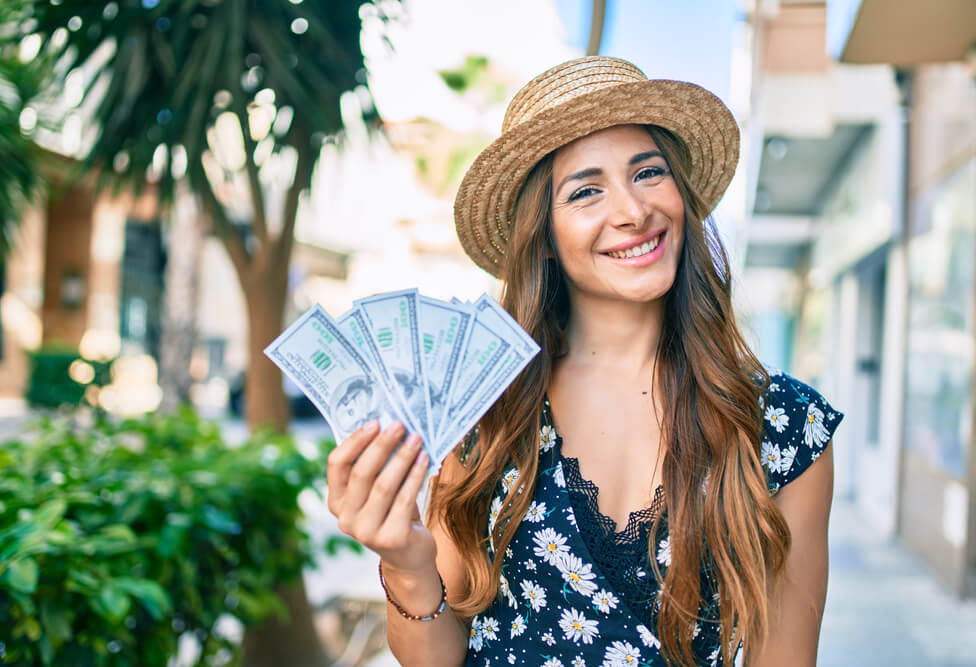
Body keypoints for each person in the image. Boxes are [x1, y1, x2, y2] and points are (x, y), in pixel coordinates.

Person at [325, 56, 843, 667]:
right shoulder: (480, 409)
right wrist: (405, 561)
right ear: (543, 235)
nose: (632, 211)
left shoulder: (784, 423)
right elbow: (435, 658)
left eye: (648, 173)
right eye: (587, 191)